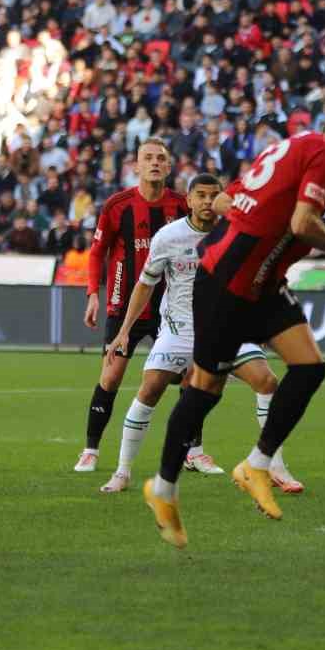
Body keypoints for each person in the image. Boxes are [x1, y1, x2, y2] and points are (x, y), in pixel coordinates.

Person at [143, 114, 325, 548]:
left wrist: (263, 224)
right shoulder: (323, 153)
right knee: (204, 389)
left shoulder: (291, 149)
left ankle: (257, 463)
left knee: (310, 367)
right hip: (226, 282)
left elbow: (230, 200)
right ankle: (164, 486)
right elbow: (302, 224)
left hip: (261, 284)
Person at [101, 173, 302, 496]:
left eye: (214, 195)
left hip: (229, 326)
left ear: (223, 198)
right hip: (180, 330)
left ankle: (274, 465)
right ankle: (122, 472)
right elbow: (145, 284)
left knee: (267, 382)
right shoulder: (168, 237)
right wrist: (123, 331)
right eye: (201, 196)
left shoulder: (239, 232)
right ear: (189, 200)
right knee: (150, 388)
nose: (208, 202)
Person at [75, 138, 189, 474]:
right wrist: (92, 294)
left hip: (171, 308)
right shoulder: (118, 205)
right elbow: (97, 252)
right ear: (135, 166)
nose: (154, 163)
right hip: (123, 306)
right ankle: (91, 450)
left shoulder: (182, 207)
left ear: (168, 167)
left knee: (189, 379)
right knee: (111, 376)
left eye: (161, 159)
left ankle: (193, 451)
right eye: (148, 158)